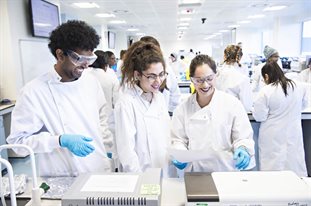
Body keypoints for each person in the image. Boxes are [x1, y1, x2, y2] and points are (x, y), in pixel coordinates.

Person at [7, 20, 114, 176]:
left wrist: (108, 150)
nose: (85, 66)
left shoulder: (91, 82)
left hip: (98, 166)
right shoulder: (34, 91)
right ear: (60, 55)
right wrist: (58, 140)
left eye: (89, 60)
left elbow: (102, 120)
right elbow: (17, 144)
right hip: (62, 174)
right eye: (79, 59)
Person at [171, 54, 255, 172]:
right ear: (191, 80)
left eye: (209, 79)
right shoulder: (182, 108)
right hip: (195, 172)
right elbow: (178, 140)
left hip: (225, 170)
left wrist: (243, 148)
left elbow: (243, 136)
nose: (205, 85)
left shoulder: (232, 104)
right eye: (199, 80)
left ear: (216, 76)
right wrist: (179, 153)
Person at [114, 41, 173, 176]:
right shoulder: (126, 103)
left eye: (161, 74)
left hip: (163, 169)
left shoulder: (159, 98)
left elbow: (166, 134)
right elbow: (126, 151)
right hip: (138, 175)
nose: (158, 81)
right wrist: (139, 178)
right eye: (151, 76)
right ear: (137, 75)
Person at [252, 62, 308, 177]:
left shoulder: (266, 91)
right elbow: (304, 104)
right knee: (294, 164)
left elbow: (259, 116)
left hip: (272, 135)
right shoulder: (299, 86)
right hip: (293, 132)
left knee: (273, 170)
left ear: (266, 76)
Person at [140, 36, 181, 114]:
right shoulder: (135, 75)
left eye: (161, 75)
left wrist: (168, 112)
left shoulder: (167, 70)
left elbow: (175, 95)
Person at [88, 50, 119, 136]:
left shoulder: (84, 77)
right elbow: (117, 102)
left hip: (88, 121)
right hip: (106, 121)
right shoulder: (111, 78)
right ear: (106, 65)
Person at [215, 44, 253, 112]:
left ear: (224, 56)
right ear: (240, 57)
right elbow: (247, 106)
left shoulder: (215, 74)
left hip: (216, 113)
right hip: (234, 116)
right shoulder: (242, 79)